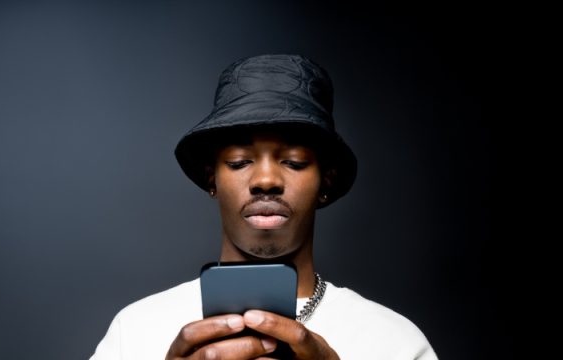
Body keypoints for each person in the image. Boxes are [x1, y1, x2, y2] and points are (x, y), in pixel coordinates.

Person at [90, 54, 438, 359]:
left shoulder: (394, 342)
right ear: (212, 180)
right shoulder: (135, 330)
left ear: (326, 183)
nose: (266, 179)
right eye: (240, 161)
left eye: (295, 161)